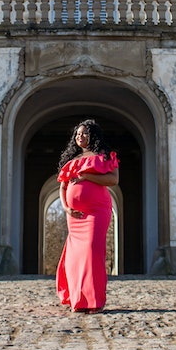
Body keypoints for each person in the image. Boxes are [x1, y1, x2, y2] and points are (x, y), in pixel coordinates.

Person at [55, 119, 120, 313]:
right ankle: (78, 299)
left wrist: (86, 176)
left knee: (92, 252)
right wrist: (66, 207)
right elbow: (63, 187)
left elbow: (113, 179)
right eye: (77, 134)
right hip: (74, 215)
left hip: (97, 211)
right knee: (75, 257)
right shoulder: (71, 160)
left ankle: (93, 300)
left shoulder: (105, 156)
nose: (79, 137)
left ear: (93, 135)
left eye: (84, 133)